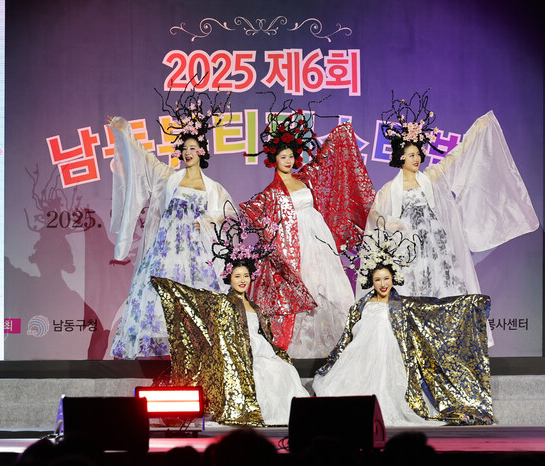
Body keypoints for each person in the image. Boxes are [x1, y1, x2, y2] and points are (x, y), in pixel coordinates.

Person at [369, 90, 539, 345]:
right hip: (410, 252)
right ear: (401, 157)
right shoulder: (389, 189)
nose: (417, 159)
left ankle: (451, 345)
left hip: (437, 249)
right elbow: (374, 213)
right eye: (411, 155)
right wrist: (391, 222)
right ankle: (413, 347)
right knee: (412, 296)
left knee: (446, 290)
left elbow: (455, 157)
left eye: (418, 154)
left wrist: (476, 131)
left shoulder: (429, 177)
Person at [313, 225, 495, 426]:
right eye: (378, 280)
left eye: (386, 279)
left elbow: (435, 308)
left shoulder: (403, 305)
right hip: (360, 359)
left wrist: (471, 304)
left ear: (393, 279)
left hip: (392, 358)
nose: (383, 284)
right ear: (371, 281)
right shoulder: (360, 306)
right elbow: (348, 335)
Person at [239, 101, 375, 358]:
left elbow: (324, 160)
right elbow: (253, 213)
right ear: (274, 160)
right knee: (306, 287)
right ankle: (300, 351)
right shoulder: (271, 192)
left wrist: (339, 136)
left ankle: (338, 347)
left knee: (329, 288)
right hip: (294, 245)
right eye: (283, 157)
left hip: (317, 237)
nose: (288, 161)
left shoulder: (304, 179)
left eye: (291, 156)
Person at [108, 88, 234, 359]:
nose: (187, 153)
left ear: (202, 151)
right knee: (159, 301)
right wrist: (125, 131)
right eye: (184, 148)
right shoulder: (170, 177)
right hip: (166, 250)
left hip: (195, 252)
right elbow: (145, 158)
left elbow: (226, 212)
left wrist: (205, 221)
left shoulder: (212, 186)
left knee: (196, 303)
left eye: (193, 148)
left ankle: (195, 358)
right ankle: (169, 360)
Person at [150, 213, 309, 426]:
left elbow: (266, 335)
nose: (242, 280)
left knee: (285, 370)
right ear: (229, 278)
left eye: (245, 276)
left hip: (261, 350)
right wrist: (171, 288)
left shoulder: (255, 307)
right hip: (237, 353)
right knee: (261, 374)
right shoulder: (224, 302)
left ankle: (289, 416)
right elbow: (198, 300)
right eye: (237, 276)